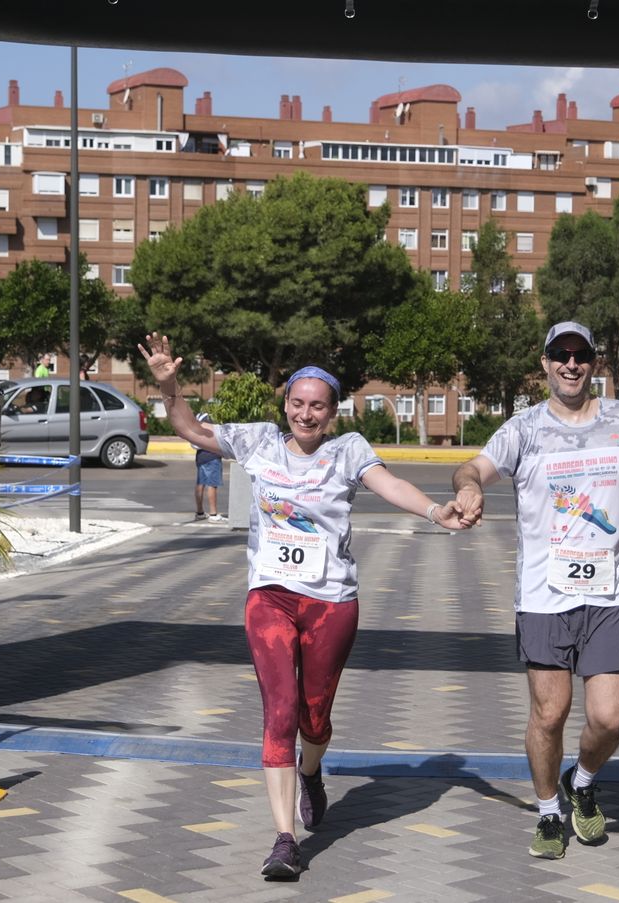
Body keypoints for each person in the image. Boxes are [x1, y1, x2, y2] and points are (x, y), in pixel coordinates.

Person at [138, 332, 469, 880]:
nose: (305, 414)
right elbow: (191, 430)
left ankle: (311, 771)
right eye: (297, 403)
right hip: (270, 596)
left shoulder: (348, 450)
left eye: (317, 406)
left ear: (332, 413)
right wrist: (169, 387)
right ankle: (285, 839)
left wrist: (436, 512)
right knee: (280, 711)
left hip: (331, 601)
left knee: (315, 717)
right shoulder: (259, 442)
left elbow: (389, 485)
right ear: (285, 404)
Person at [451, 320, 619, 861]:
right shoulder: (524, 429)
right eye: (561, 354)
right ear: (546, 363)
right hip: (544, 597)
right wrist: (469, 487)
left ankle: (583, 780)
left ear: (594, 362)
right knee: (550, 715)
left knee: (610, 718)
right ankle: (549, 811)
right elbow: (472, 467)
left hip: (608, 596)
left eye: (580, 354)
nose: (571, 364)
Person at [193, 411, 225, 522]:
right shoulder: (209, 419)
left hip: (200, 455)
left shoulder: (198, 419)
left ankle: (200, 512)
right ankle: (213, 514)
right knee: (212, 484)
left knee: (200, 483)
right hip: (211, 455)